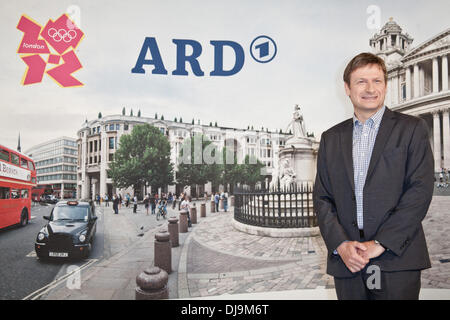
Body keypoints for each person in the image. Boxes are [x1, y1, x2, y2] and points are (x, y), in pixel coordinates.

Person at [313, 52, 434, 300]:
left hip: (396, 259)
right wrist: (341, 245)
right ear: (347, 88)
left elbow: (419, 192)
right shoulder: (330, 138)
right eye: (361, 81)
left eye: (377, 81)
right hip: (349, 263)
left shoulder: (412, 129)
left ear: (386, 86)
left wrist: (380, 244)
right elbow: (323, 198)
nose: (370, 89)